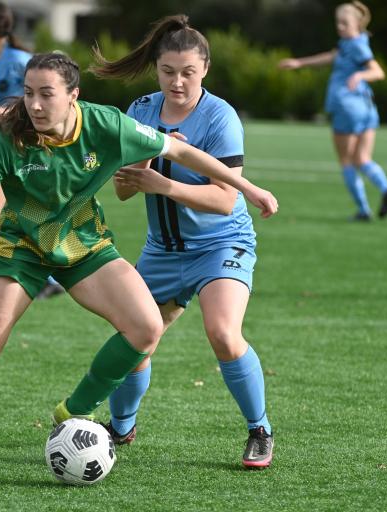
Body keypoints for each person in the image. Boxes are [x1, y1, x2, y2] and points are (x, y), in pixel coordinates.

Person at [0, 52, 278, 462]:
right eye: (29, 93)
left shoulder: (105, 125)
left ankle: (75, 410)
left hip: (83, 245)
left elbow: (182, 154)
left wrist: (248, 188)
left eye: (46, 94)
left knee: (145, 329)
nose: (34, 105)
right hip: (22, 251)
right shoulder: (10, 139)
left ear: (73, 95)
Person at [89, 14, 275, 469]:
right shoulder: (140, 111)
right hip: (162, 252)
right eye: (168, 71)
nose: (177, 81)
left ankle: (260, 430)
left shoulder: (221, 118)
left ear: (205, 69)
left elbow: (224, 199)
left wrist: (164, 185)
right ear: (156, 68)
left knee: (223, 334)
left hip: (221, 245)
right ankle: (122, 427)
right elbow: (123, 189)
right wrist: (140, 174)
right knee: (134, 340)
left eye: (188, 72)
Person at [0, 1, 64, 299]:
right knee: (16, 210)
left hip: (27, 147)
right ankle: (48, 276)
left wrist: (8, 111)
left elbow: (42, 101)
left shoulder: (21, 61)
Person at [279, 1, 387, 222]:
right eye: (338, 22)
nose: (340, 27)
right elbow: (331, 56)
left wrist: (360, 76)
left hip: (347, 108)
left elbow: (377, 71)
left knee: (346, 161)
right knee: (362, 159)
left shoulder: (358, 46)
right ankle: (385, 188)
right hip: (367, 108)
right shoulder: (350, 43)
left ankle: (363, 210)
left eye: (344, 23)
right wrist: (299, 63)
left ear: (357, 24)